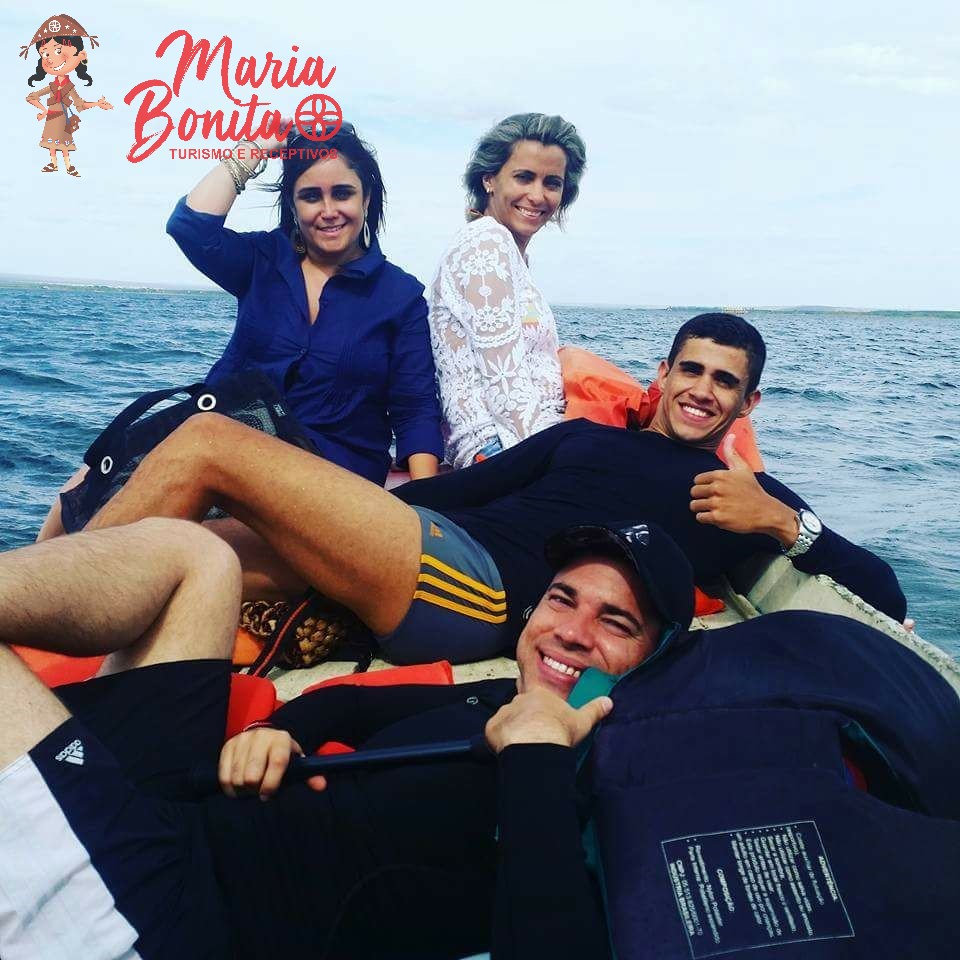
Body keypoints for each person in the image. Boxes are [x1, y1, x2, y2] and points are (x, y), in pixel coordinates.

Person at [0, 515, 689, 958]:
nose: (571, 631)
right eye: (563, 599)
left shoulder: (612, 788)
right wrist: (276, 731)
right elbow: (347, 706)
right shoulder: (493, 698)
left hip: (163, 911)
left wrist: (538, 755)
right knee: (199, 556)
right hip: (175, 813)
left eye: (615, 623)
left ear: (653, 665)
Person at [83, 312, 906, 664]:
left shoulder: (738, 495)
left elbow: (883, 594)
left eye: (725, 382)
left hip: (481, 592)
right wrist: (332, 512)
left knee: (208, 443)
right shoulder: (584, 437)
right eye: (691, 369)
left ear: (747, 403)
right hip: (428, 545)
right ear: (662, 373)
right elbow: (458, 493)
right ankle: (63, 624)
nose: (702, 390)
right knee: (196, 544)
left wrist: (786, 525)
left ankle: (52, 586)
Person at [35, 121, 443, 540]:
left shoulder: (400, 296)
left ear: (366, 197)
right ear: (293, 204)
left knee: (153, 538)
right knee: (77, 493)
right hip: (216, 444)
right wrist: (257, 148)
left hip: (323, 477)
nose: (328, 210)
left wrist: (431, 514)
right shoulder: (264, 259)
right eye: (310, 196)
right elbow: (190, 227)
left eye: (342, 193)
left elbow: (415, 409)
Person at [428, 113, 587, 468]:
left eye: (552, 183)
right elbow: (504, 384)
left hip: (517, 441)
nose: (537, 195)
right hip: (501, 448)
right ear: (489, 179)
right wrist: (553, 463)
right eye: (524, 177)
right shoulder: (487, 240)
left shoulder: (510, 253)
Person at [22, 14, 114, 177]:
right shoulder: (51, 86)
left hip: (62, 121)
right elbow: (31, 96)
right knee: (52, 145)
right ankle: (54, 164)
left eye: (58, 51)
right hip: (52, 119)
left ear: (81, 56)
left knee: (64, 146)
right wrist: (44, 110)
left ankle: (68, 166)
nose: (51, 59)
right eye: (45, 54)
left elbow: (80, 104)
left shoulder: (69, 87)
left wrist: (97, 104)